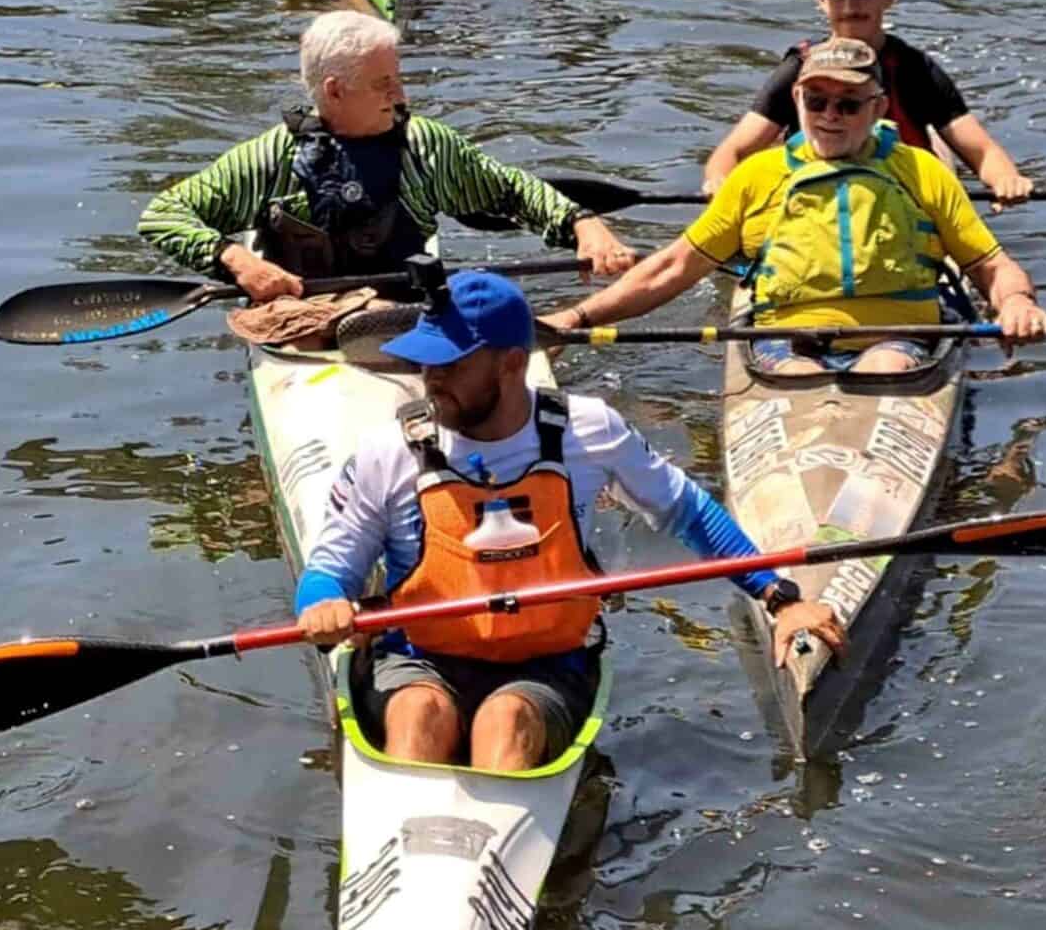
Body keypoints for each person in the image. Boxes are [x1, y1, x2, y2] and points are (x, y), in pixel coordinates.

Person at [294, 273, 846, 771]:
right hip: (420, 660)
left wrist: (779, 598)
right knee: (419, 715)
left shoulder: (588, 430)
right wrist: (322, 605)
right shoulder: (388, 452)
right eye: (426, 363)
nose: (431, 380)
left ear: (512, 362)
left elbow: (689, 512)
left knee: (504, 722)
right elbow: (329, 571)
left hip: (547, 664)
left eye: (451, 364)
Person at [547, 37, 1046, 377]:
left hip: (899, 344)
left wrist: (1015, 303)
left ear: (877, 107)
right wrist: (578, 316)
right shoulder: (757, 176)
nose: (830, 116)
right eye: (816, 102)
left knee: (885, 369)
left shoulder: (922, 171)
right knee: (799, 376)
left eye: (849, 104)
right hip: (788, 346)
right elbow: (674, 267)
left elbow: (991, 266)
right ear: (796, 99)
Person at [140, 12, 636, 302]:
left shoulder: (425, 146)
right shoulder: (268, 158)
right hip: (300, 325)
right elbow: (163, 216)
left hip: (401, 318)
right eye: (383, 84)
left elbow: (510, 191)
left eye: (397, 79)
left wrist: (581, 223)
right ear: (334, 92)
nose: (401, 95)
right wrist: (235, 260)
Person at [701, 0, 1032, 202]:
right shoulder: (799, 67)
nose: (849, 9)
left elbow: (982, 152)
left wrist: (1006, 180)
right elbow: (733, 151)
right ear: (821, 0)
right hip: (813, 203)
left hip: (901, 202)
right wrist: (720, 182)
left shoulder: (916, 69)